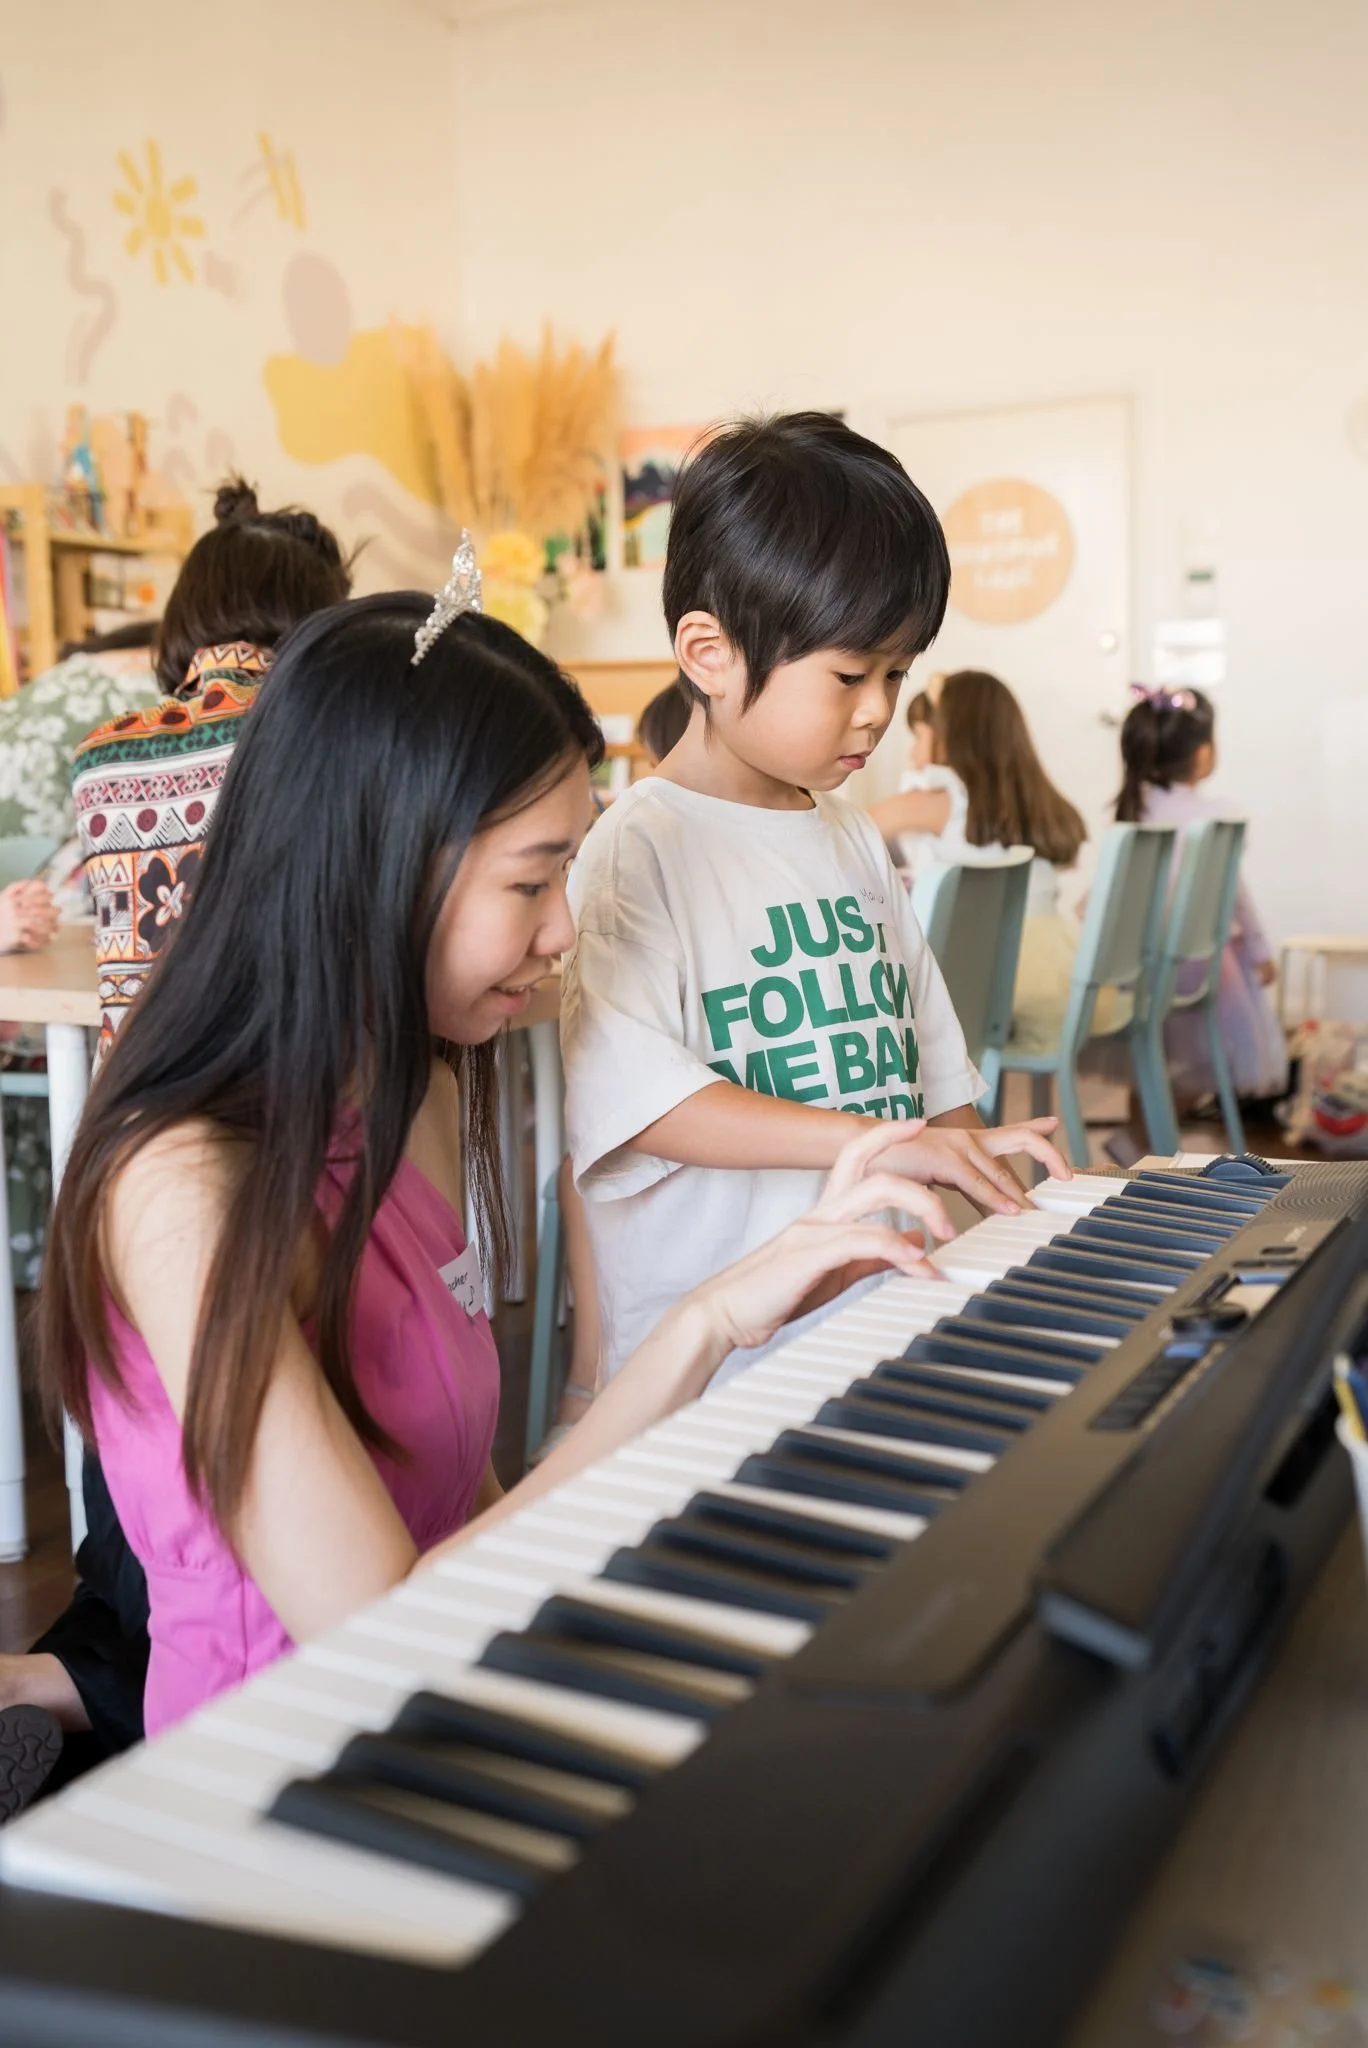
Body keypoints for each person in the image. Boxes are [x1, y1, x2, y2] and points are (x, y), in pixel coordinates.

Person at [33, 580, 946, 1743]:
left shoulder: (419, 1091)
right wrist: (708, 1324)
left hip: (448, 1696)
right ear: (383, 863)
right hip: (273, 1774)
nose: (563, 928)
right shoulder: (182, 1189)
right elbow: (373, 1628)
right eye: (532, 879)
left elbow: (465, 1503)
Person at [561, 414, 1070, 1386]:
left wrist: (985, 1177)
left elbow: (930, 1059)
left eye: (897, 672)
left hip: (871, 1318)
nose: (879, 707)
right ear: (709, 653)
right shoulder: (640, 848)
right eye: (849, 673)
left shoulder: (849, 837)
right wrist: (875, 1141)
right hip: (718, 1363)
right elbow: (641, 1104)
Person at [0, 484, 351, 1815]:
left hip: (126, 1153)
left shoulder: (107, 758)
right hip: (287, 1148)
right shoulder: (317, 738)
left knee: (149, 1471)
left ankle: (95, 1670)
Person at [73, 478, 352, 1057]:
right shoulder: (331, 734)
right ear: (323, 622)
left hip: (133, 1114)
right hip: (296, 1106)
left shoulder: (99, 757)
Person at [550, 676, 694, 1435]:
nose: (560, 932)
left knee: (581, 1165)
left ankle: (586, 1380)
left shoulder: (844, 832)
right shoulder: (631, 844)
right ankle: (590, 1377)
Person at [869, 669, 1103, 1053]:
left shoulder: (940, 801)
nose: (912, 753)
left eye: (918, 736)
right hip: (1056, 975)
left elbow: (844, 831)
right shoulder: (1030, 804)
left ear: (948, 736)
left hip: (990, 985)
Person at [1116, 682, 1287, 1101]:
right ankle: (1158, 1135)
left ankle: (1142, 1136)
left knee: (1150, 1048)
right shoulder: (1215, 819)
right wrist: (1259, 952)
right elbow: (1236, 896)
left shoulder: (1133, 815)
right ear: (1204, 753)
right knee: (1194, 1053)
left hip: (1138, 970)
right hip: (1199, 962)